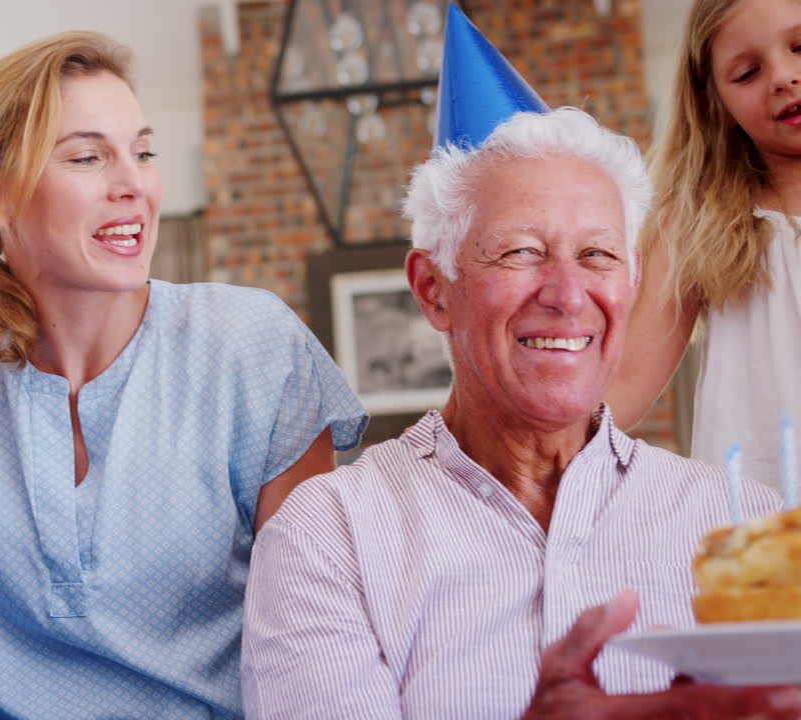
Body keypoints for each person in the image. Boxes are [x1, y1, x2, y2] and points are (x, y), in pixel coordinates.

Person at [242, 8, 794, 719]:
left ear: (632, 282)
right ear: (433, 289)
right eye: (521, 252)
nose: (567, 294)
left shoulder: (743, 524)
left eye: (596, 254)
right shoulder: (330, 536)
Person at [0, 31, 368, 718]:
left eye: (143, 153)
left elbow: (315, 636)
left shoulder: (249, 345)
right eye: (88, 157)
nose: (133, 185)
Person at [607, 0, 801, 493]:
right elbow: (627, 382)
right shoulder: (694, 224)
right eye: (748, 73)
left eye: (800, 47)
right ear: (715, 101)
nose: (783, 77)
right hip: (760, 516)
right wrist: (517, 443)